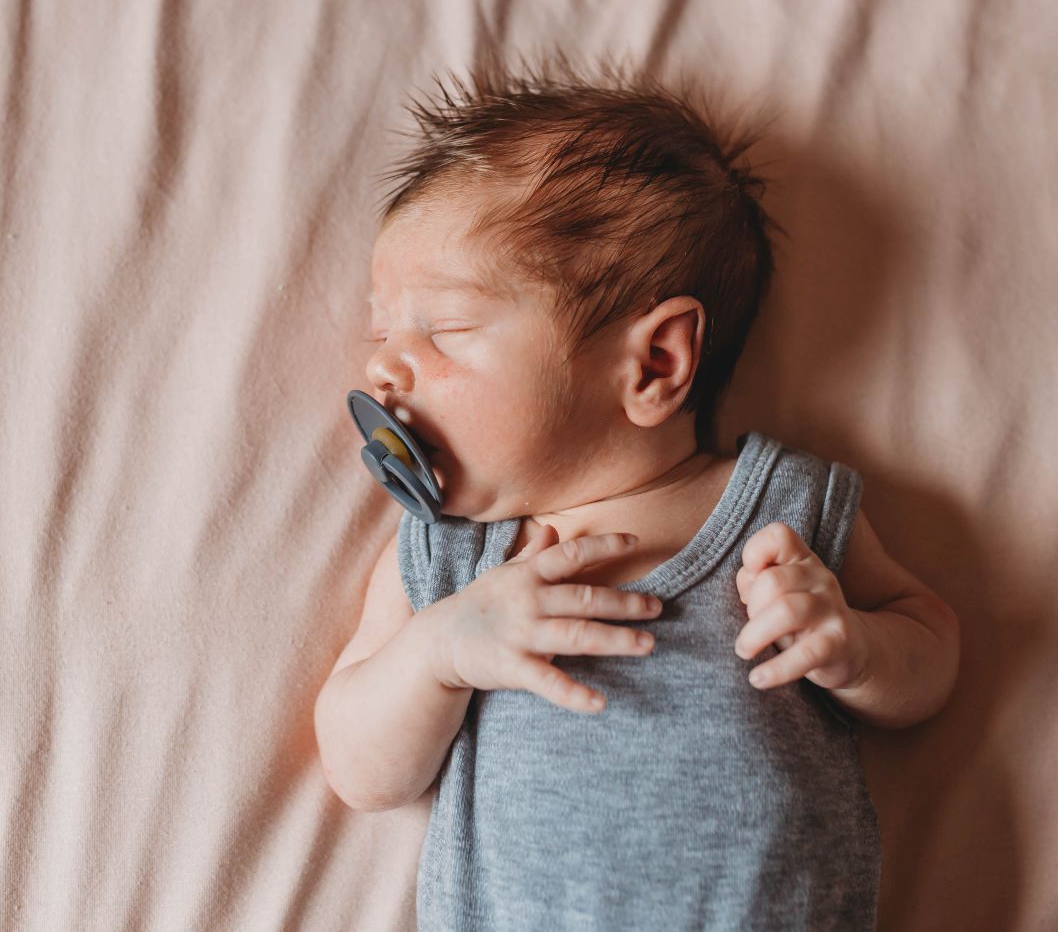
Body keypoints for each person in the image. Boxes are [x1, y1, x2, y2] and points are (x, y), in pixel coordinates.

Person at [315, 58, 960, 931]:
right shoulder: (452, 555)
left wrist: (856, 647)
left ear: (654, 362)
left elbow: (929, 646)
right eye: (381, 330)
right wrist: (438, 653)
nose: (383, 367)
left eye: (446, 328)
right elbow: (357, 766)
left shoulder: (780, 511)